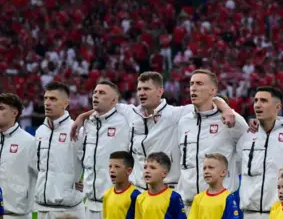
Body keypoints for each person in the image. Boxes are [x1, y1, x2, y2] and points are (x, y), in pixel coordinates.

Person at [72, 71, 236, 189]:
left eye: (147, 89)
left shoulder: (175, 114)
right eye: (139, 89)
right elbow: (105, 105)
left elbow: (212, 99)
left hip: (166, 189)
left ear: (160, 91)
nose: (142, 93)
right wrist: (82, 117)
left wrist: (227, 109)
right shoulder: (131, 112)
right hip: (138, 191)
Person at [176, 69, 247, 213]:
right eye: (191, 84)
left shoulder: (232, 120)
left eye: (200, 84)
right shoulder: (184, 121)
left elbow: (244, 156)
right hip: (188, 204)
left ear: (212, 90)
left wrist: (226, 108)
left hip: (218, 205)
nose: (193, 88)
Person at [238, 87, 283, 219]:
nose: (257, 105)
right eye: (256, 100)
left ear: (277, 106)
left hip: (282, 213)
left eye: (264, 101)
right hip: (249, 213)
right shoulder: (247, 134)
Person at [0, 93, 37, 219]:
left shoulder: (29, 142)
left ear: (14, 113)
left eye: (1, 108)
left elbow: (43, 174)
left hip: (17, 214)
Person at [34, 82, 85, 219]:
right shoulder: (40, 131)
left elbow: (95, 161)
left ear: (65, 104)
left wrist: (88, 183)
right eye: (45, 98)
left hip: (69, 210)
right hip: (42, 209)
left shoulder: (77, 130)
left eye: (53, 99)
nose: (47, 103)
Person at [83, 81, 132, 219]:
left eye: (102, 93)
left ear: (114, 100)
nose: (96, 96)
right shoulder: (89, 123)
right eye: (95, 92)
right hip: (89, 203)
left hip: (116, 202)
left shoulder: (125, 121)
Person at [134, 152, 186, 219]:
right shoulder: (140, 198)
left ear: (164, 173)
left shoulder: (173, 197)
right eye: (145, 167)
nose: (147, 171)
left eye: (152, 168)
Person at [188, 153, 241, 219]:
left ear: (223, 172)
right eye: (204, 168)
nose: (206, 171)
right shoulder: (197, 198)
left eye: (211, 168)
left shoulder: (228, 198)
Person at [102, 151, 141, 219]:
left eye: (117, 167)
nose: (112, 170)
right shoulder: (107, 194)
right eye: (110, 166)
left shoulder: (136, 196)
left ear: (128, 171)